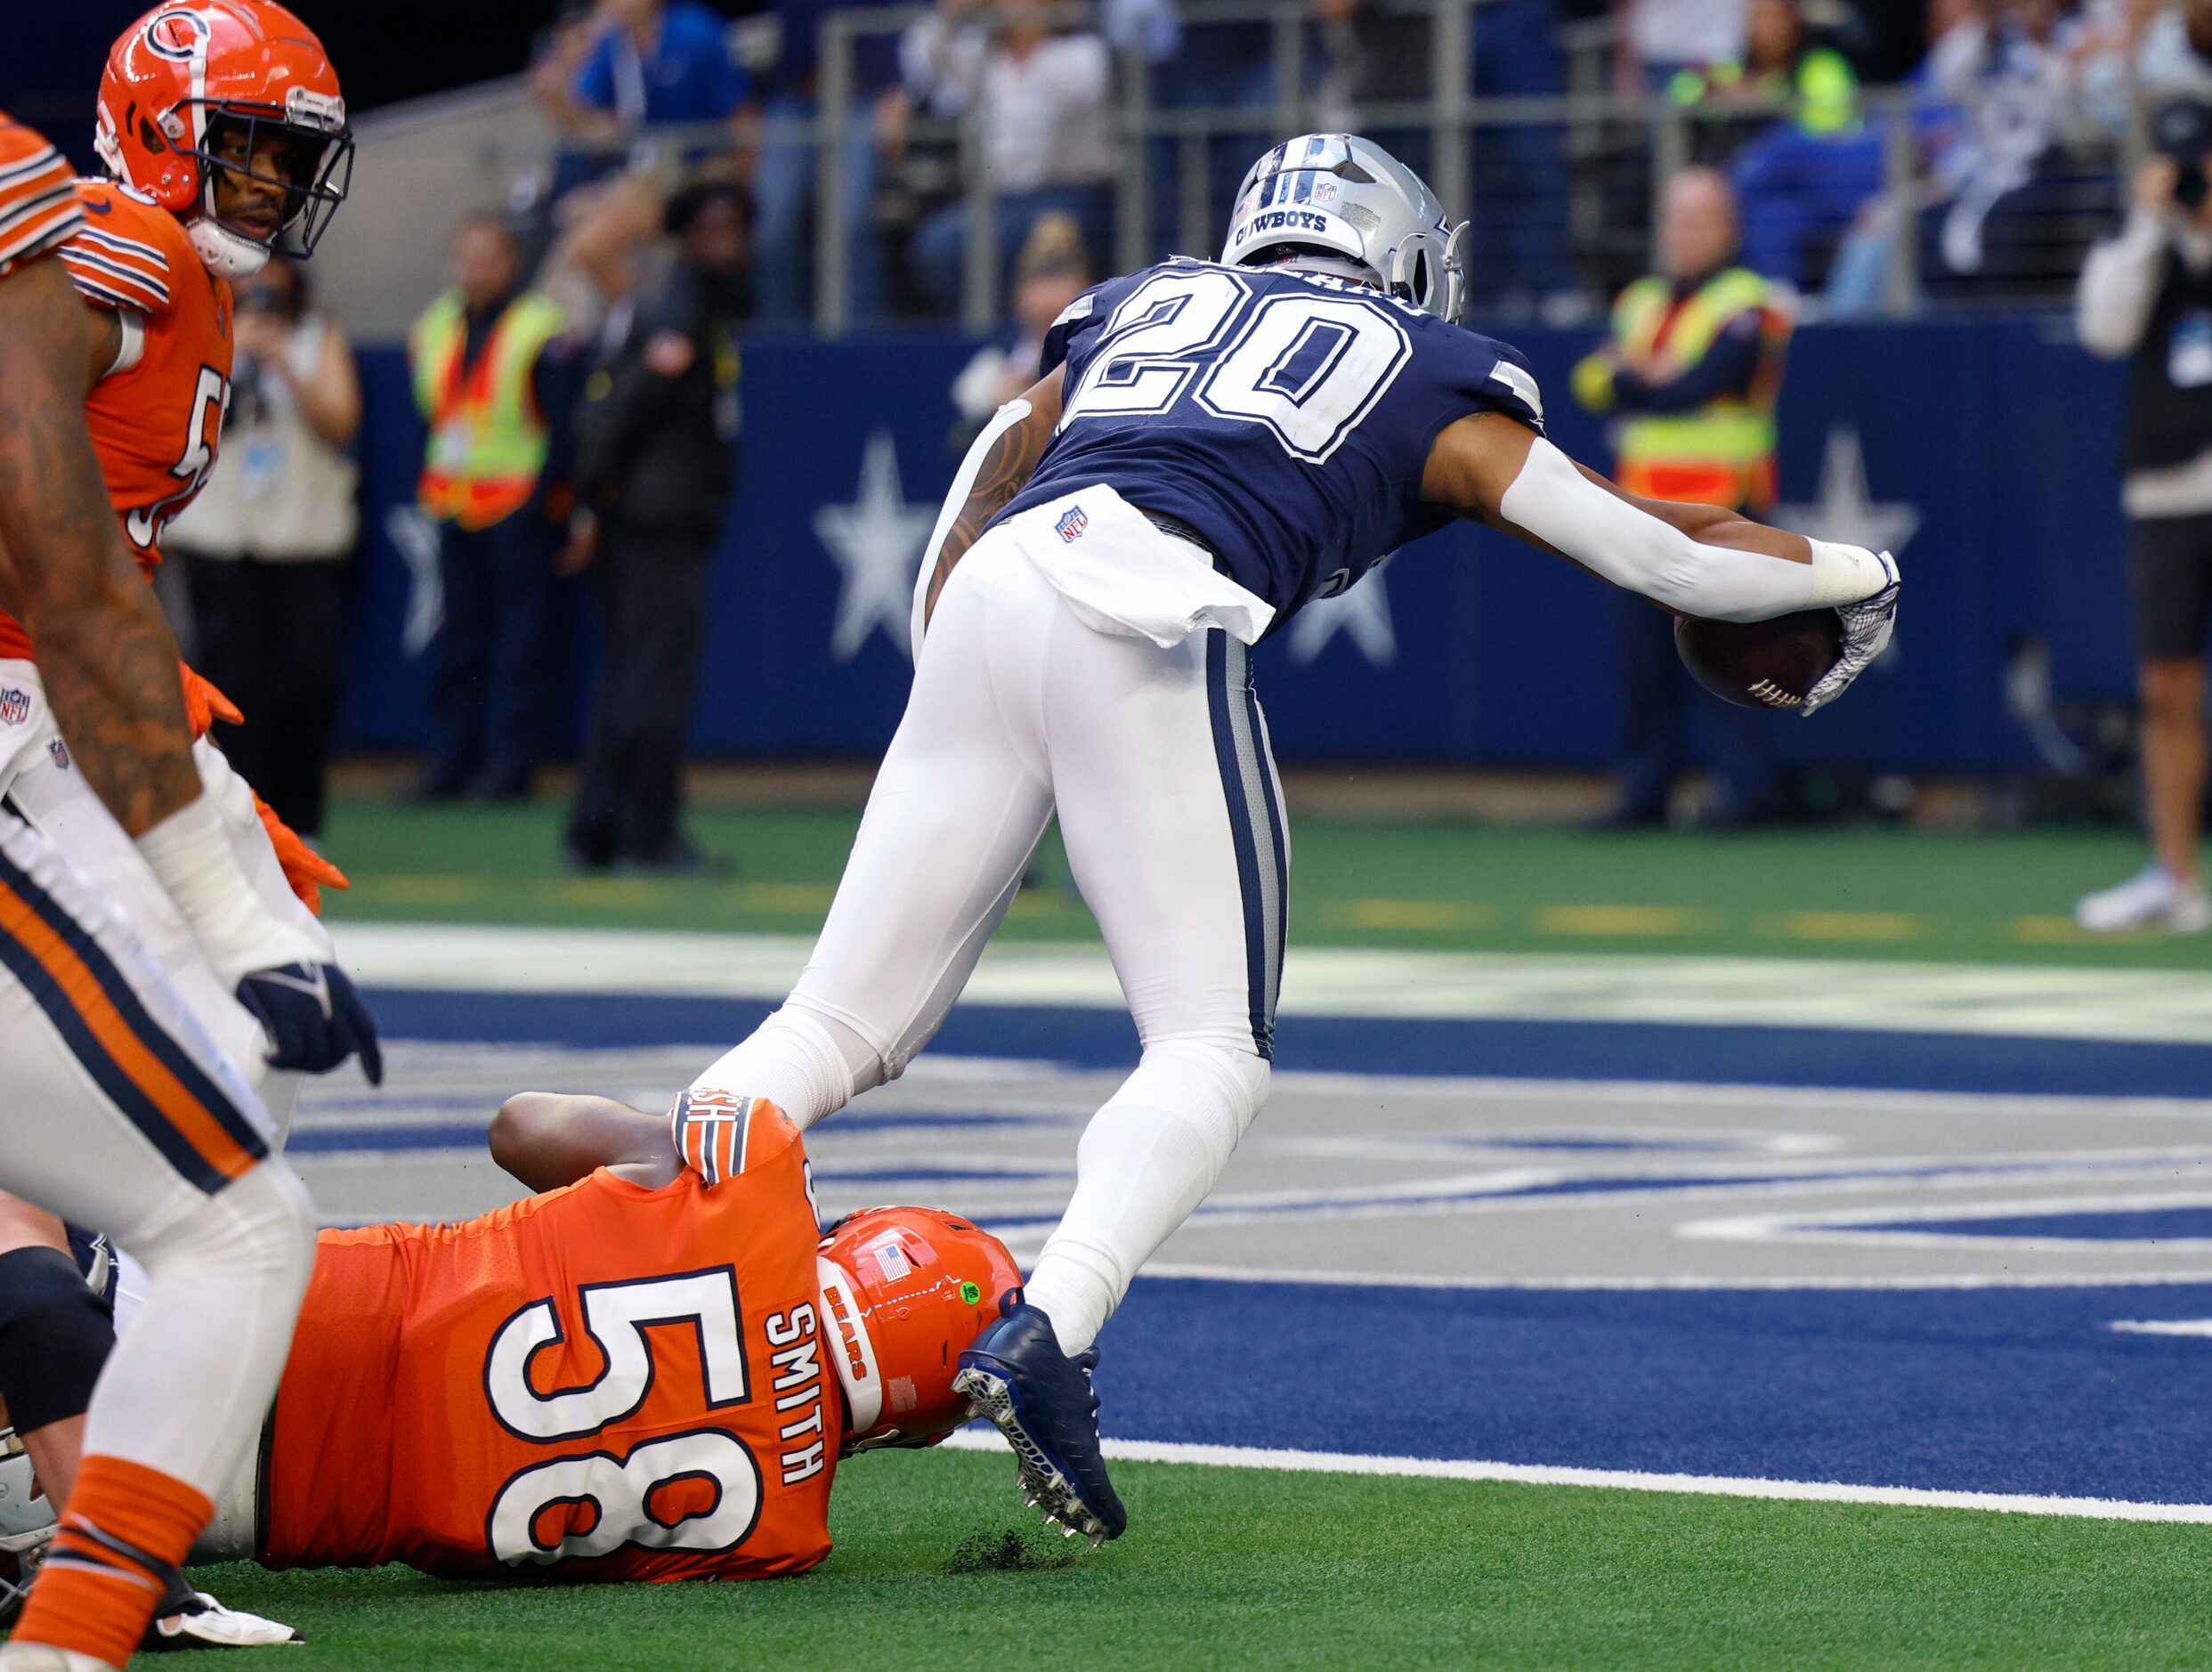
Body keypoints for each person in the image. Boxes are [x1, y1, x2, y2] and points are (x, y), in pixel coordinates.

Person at [682, 132, 1901, 1543]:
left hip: (996, 585)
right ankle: (1051, 1329)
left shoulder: (1143, 300)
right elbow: (1661, 554)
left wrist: (945, 661)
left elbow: (996, 454)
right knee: (1208, 1044)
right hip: (1149, 606)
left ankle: (657, 1256)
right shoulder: (1431, 369)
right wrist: (1862, 577)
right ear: (1400, 255)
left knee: (833, 1023)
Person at [0, 4, 377, 1662]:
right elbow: (67, 576)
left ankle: (86, 1502)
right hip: (33, 720)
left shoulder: (180, 275)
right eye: (254, 142)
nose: (279, 182)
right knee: (221, 1170)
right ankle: (91, 1538)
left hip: (66, 709)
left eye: (299, 156)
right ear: (156, 126)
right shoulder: (112, 247)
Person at [0, 1096, 1019, 1587]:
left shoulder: (753, 1186)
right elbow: (472, 1563)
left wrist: (657, 1176)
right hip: (241, 1516)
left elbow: (517, 1128)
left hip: (234, 1319)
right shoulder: (776, 1539)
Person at [1572, 168, 1794, 827]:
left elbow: (1697, 387)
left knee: (1731, 653)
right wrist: (1641, 378)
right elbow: (1591, 382)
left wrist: (1636, 377)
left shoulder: (1749, 303)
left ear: (1727, 227)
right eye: (1674, 219)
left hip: (1724, 508)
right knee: (1645, 662)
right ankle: (1645, 791)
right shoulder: (1639, 301)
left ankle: (1744, 794)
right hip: (1638, 511)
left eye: (1697, 219)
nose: (1682, 233)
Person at [565, 181, 749, 874]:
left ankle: (595, 831)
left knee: (630, 676)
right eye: (709, 226)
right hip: (655, 518)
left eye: (733, 225)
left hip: (644, 514)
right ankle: (646, 832)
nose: (725, 240)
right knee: (655, 680)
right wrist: (592, 494)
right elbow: (620, 406)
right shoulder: (679, 303)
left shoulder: (686, 298)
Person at [2074, 98, 2212, 933]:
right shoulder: (2140, 244)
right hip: (2165, 490)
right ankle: (2174, 872)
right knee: (2164, 682)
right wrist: (2147, 223)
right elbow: (2103, 329)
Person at [166, 259, 361, 840]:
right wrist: (231, 356)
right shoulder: (198, 330)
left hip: (298, 538)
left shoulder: (315, 337)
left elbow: (342, 420)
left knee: (305, 678)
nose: (259, 297)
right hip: (221, 538)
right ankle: (237, 815)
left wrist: (285, 364)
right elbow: (174, 427)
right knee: (229, 683)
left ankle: (300, 819)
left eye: (271, 287)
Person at [409, 216, 577, 802]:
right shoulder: (437, 323)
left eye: (488, 257)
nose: (475, 269)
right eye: (467, 256)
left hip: (517, 504)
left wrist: (547, 501)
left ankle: (510, 767)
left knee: (519, 643)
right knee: (458, 639)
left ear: (512, 263)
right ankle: (448, 762)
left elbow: (563, 425)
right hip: (453, 501)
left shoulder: (540, 328)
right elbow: (433, 411)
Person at [910, 0, 1118, 316]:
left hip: (1069, 194)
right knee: (939, 243)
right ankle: (980, 330)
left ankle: (1031, 337)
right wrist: (951, 15)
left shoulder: (1080, 53)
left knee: (1013, 240)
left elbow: (1079, 89)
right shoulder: (986, 57)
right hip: (999, 200)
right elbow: (926, 62)